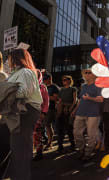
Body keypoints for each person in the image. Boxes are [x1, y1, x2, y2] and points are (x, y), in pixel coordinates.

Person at [6, 48, 42, 180]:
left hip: (25, 110)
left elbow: (24, 92)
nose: (7, 60)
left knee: (20, 148)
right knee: (18, 146)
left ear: (15, 58)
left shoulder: (25, 72)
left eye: (9, 58)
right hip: (21, 111)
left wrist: (6, 92)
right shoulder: (19, 72)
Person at [72, 68, 103, 160]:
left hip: (93, 114)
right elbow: (80, 99)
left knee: (91, 135)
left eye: (89, 72)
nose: (87, 74)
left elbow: (101, 99)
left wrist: (90, 98)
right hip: (80, 112)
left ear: (94, 75)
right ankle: (81, 150)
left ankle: (87, 153)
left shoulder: (98, 86)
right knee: (76, 133)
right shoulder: (84, 86)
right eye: (86, 73)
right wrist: (74, 110)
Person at [56, 75, 77, 153]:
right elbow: (59, 100)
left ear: (69, 80)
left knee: (69, 129)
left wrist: (70, 109)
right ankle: (60, 147)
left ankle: (72, 145)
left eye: (65, 79)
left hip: (69, 110)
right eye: (63, 80)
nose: (64, 81)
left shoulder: (73, 89)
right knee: (60, 130)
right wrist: (58, 110)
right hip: (61, 110)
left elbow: (75, 100)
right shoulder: (61, 90)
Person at [33, 70, 49, 160]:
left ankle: (39, 152)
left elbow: (46, 101)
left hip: (39, 113)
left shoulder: (42, 87)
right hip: (29, 113)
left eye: (36, 74)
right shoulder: (30, 85)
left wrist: (44, 112)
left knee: (37, 133)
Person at [43, 72, 59, 150]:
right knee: (47, 126)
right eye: (44, 79)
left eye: (46, 79)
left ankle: (50, 143)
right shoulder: (45, 87)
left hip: (51, 109)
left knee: (48, 125)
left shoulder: (54, 87)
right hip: (45, 109)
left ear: (50, 78)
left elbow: (55, 98)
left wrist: (45, 96)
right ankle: (49, 142)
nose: (45, 80)